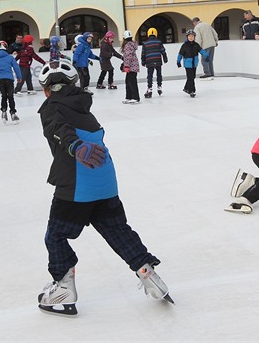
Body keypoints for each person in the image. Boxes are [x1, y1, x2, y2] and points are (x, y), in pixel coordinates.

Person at [35, 58, 172, 316]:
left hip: (78, 183)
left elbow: (59, 131)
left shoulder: (50, 107)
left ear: (45, 89)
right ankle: (151, 278)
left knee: (56, 236)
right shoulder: (83, 104)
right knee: (118, 231)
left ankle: (64, 287)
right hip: (105, 179)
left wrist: (75, 147)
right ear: (74, 83)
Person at [0, 40, 22, 124]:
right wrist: (19, 77)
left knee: (4, 96)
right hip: (9, 79)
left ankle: (4, 111)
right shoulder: (10, 57)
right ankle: (13, 113)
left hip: (0, 80)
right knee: (11, 96)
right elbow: (16, 67)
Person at [176, 29, 209, 98]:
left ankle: (186, 88)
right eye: (189, 36)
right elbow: (180, 54)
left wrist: (206, 56)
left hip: (194, 64)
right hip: (188, 64)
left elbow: (202, 51)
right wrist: (178, 61)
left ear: (194, 37)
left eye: (192, 36)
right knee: (191, 77)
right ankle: (192, 91)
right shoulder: (184, 46)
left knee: (192, 77)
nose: (191, 37)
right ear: (187, 37)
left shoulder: (196, 45)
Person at [141, 27, 168, 98]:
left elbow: (143, 53)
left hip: (149, 61)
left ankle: (149, 88)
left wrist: (143, 62)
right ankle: (159, 86)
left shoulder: (145, 43)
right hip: (158, 60)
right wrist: (165, 59)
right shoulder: (159, 42)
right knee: (159, 74)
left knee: (150, 75)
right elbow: (163, 51)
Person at [120, 30, 141, 104]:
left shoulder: (128, 45)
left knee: (132, 82)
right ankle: (129, 97)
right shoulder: (130, 44)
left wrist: (126, 66)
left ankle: (135, 97)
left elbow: (128, 57)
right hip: (132, 66)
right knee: (128, 81)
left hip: (132, 66)